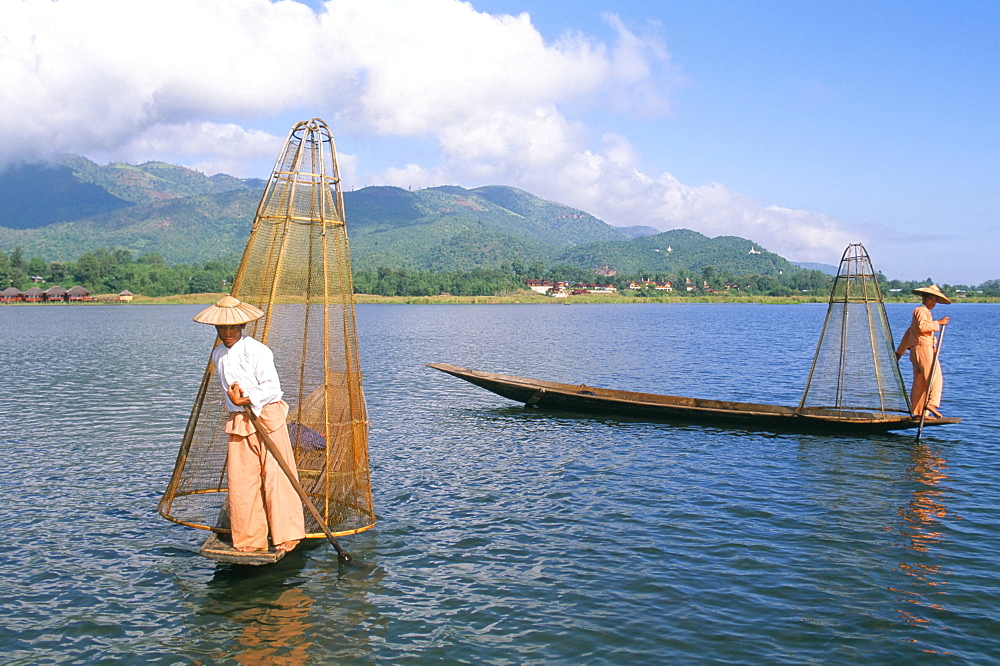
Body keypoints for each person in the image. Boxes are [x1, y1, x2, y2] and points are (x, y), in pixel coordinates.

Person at [193, 296, 305, 553]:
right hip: (240, 422)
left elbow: (272, 388)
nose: (227, 333)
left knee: (278, 477)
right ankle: (249, 540)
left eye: (233, 328)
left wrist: (247, 398)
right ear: (216, 329)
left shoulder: (258, 351)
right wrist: (237, 401)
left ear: (242, 327)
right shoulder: (218, 355)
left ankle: (286, 535)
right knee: (242, 481)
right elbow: (230, 392)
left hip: (266, 417)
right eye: (222, 328)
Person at [895, 285, 951, 419]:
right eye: (931, 299)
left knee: (920, 383)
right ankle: (932, 403)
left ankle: (918, 412)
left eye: (935, 300)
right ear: (924, 298)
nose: (933, 302)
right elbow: (922, 327)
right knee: (935, 377)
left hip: (918, 351)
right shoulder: (920, 310)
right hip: (923, 349)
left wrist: (900, 352)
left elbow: (910, 332)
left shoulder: (924, 313)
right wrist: (939, 323)